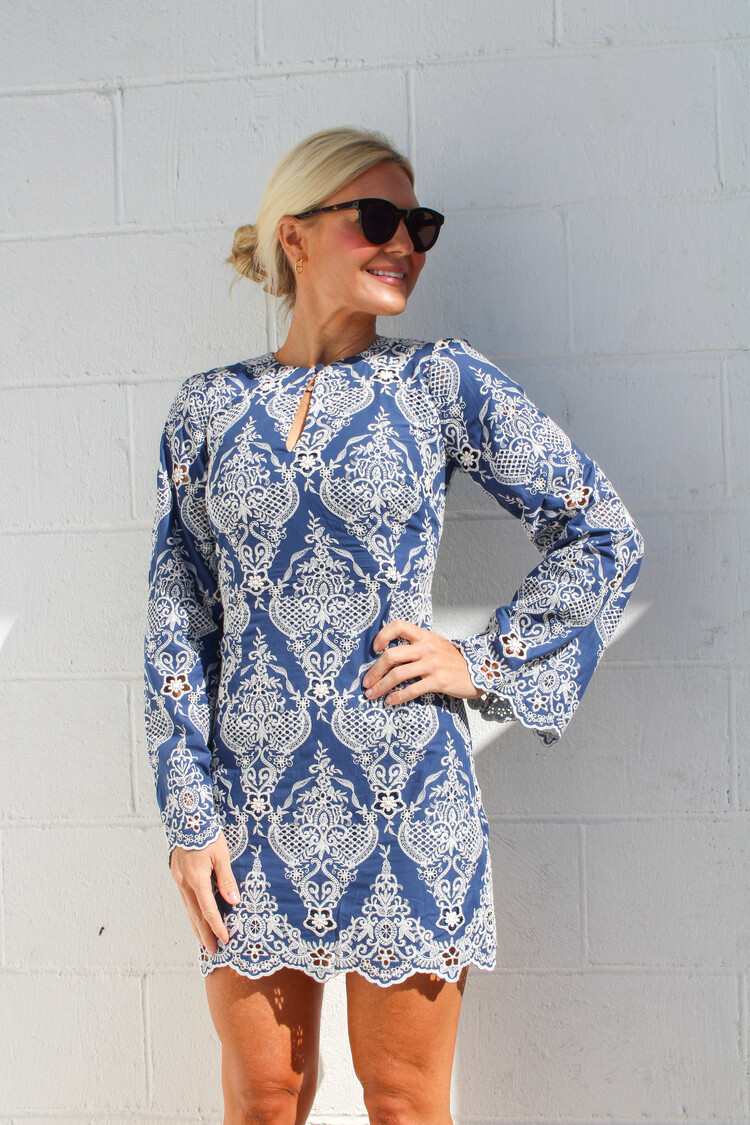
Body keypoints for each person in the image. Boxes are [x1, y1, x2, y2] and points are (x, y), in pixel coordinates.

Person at [143, 125, 644, 1125]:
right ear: (294, 234)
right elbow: (176, 614)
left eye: (420, 225)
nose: (405, 244)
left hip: (406, 795)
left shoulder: (439, 381)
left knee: (405, 1101)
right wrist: (188, 819)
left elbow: (601, 532)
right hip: (249, 804)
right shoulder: (207, 408)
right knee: (263, 1098)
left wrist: (482, 659)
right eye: (377, 219)